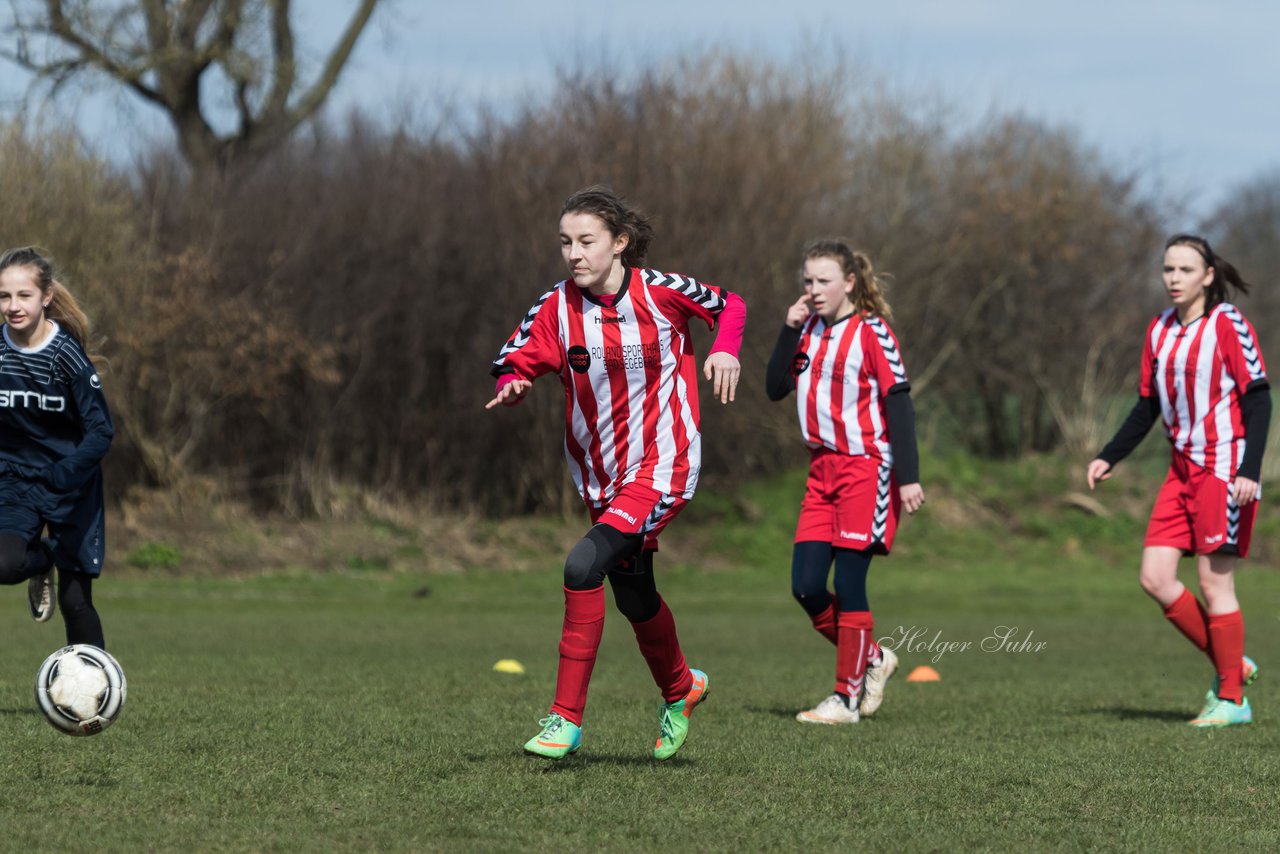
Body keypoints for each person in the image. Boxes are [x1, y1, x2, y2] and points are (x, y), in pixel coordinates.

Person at [486, 186, 745, 760]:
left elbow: (730, 305)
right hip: (600, 477)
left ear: (620, 243)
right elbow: (515, 356)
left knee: (582, 565)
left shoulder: (661, 292)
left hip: (664, 462)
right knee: (633, 593)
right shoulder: (555, 306)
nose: (573, 254)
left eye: (586, 241)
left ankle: (564, 720)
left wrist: (724, 349)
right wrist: (514, 384)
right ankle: (682, 688)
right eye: (565, 243)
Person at [1087, 234, 1270, 728]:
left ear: (1208, 276)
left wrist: (1250, 470)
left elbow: (1258, 398)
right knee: (1155, 578)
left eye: (1185, 270)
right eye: (1168, 269)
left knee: (1215, 584)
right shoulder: (1159, 330)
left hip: (1224, 468)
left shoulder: (1228, 324)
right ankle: (1234, 666)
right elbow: (1148, 405)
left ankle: (1232, 700)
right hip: (1182, 470)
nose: (1173, 279)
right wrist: (1110, 456)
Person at [764, 240, 924, 725]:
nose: (813, 291)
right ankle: (874, 659)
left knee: (849, 582)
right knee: (807, 586)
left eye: (824, 281)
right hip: (822, 472)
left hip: (868, 468)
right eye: (808, 281)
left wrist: (908, 479)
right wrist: (788, 330)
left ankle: (845, 699)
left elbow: (899, 403)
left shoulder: (873, 331)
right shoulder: (806, 330)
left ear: (849, 282)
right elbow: (774, 387)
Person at [0, 246, 114, 649]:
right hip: (15, 482)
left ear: (45, 297)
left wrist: (65, 474)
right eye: (4, 296)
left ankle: (93, 701)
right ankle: (43, 559)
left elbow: (101, 431)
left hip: (71, 487)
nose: (13, 306)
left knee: (75, 600)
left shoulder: (66, 356)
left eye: (23, 296)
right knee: (5, 565)